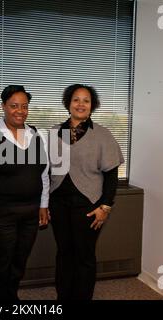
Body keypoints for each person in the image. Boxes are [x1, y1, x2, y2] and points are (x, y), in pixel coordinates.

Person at [0, 85, 50, 301]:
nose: (20, 111)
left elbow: (43, 173)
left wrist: (43, 204)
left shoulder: (37, 134)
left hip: (30, 213)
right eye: (14, 105)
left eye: (24, 106)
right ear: (3, 107)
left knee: (18, 263)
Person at [49, 84, 124, 300]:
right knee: (64, 254)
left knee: (84, 256)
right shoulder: (54, 132)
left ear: (92, 106)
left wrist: (105, 207)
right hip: (59, 204)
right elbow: (45, 172)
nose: (80, 104)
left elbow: (111, 175)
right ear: (68, 103)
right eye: (76, 100)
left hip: (89, 206)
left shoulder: (102, 134)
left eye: (86, 100)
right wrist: (44, 203)